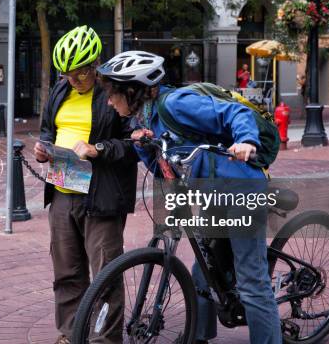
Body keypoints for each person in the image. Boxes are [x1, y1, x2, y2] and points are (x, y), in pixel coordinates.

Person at [97, 50, 282, 344]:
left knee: (252, 282)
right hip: (208, 192)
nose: (108, 101)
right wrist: (145, 145)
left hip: (239, 186)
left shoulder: (177, 103)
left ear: (132, 91)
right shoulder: (144, 118)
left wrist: (245, 141)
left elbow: (236, 113)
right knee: (203, 267)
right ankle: (199, 336)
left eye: (112, 93)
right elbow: (162, 170)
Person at [33, 26, 138, 344]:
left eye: (79, 74)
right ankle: (70, 333)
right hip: (64, 189)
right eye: (66, 75)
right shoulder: (59, 90)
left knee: (105, 276)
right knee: (66, 272)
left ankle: (104, 339)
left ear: (95, 66)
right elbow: (48, 130)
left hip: (102, 196)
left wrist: (99, 150)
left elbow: (134, 144)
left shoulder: (115, 93)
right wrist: (43, 149)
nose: (73, 81)